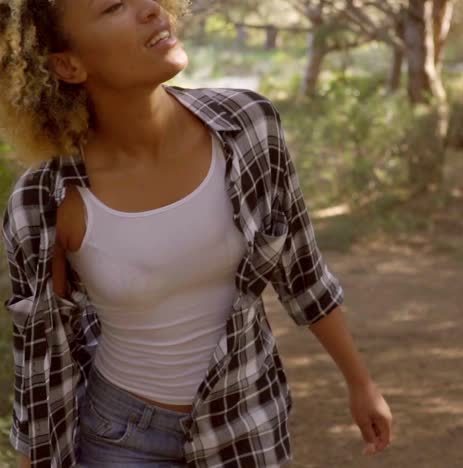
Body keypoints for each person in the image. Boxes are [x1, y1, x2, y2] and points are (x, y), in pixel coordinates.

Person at [0, 1, 393, 467]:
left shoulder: (247, 127)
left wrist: (361, 384)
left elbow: (302, 271)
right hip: (119, 437)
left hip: (245, 420)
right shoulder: (43, 202)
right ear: (68, 65)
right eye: (113, 8)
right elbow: (43, 366)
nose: (149, 9)